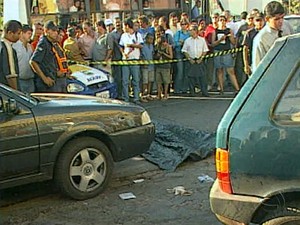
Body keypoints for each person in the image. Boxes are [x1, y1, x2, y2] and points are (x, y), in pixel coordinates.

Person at [252, 1, 289, 72]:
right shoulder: (261, 39)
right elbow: (257, 67)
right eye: (277, 19)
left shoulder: (286, 26)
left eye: (282, 17)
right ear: (267, 19)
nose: (281, 21)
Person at [212, 15, 240, 95]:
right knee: (219, 70)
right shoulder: (215, 31)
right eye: (220, 20)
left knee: (230, 70)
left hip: (226, 51)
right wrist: (220, 40)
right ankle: (221, 88)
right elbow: (213, 44)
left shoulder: (229, 30)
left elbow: (234, 42)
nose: (222, 22)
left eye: (223, 20)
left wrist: (230, 37)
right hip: (218, 51)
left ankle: (237, 88)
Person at [30, 20, 59, 92]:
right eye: (53, 31)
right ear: (46, 31)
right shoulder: (43, 43)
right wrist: (44, 78)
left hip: (51, 79)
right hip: (44, 84)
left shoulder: (49, 43)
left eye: (57, 31)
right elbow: (33, 62)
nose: (56, 33)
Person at [119, 18, 143, 103]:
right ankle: (126, 98)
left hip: (135, 59)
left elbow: (141, 46)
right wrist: (123, 54)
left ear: (127, 26)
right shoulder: (123, 36)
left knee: (136, 80)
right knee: (125, 80)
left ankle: (136, 98)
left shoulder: (138, 35)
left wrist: (132, 45)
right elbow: (121, 46)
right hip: (126, 60)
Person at [182, 25, 209, 97]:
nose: (189, 32)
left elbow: (205, 50)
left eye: (191, 30)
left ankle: (204, 91)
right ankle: (192, 92)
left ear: (195, 31)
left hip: (199, 60)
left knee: (202, 77)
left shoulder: (202, 40)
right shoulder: (187, 41)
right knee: (191, 77)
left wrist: (201, 58)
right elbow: (185, 51)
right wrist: (189, 59)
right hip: (191, 60)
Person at [12, 25, 35, 93]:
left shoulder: (30, 47)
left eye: (31, 34)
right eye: (28, 33)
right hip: (20, 80)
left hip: (30, 80)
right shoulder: (15, 46)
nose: (30, 36)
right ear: (22, 33)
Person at [0, 20, 22, 90]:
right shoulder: (7, 47)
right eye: (18, 34)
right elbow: (10, 74)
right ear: (10, 33)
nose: (19, 37)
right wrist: (16, 93)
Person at [107, 17, 123, 99]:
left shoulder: (124, 33)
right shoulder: (111, 35)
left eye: (119, 22)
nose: (118, 24)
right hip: (116, 60)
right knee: (117, 79)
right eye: (116, 22)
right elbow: (111, 48)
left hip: (125, 60)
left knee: (125, 79)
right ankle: (118, 95)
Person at [173, 18, 190, 94]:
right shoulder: (178, 33)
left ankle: (185, 88)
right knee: (180, 71)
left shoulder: (189, 33)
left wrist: (184, 43)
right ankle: (177, 89)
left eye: (185, 24)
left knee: (186, 71)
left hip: (187, 53)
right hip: (179, 53)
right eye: (182, 24)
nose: (183, 26)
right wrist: (181, 43)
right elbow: (175, 44)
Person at [154, 35, 173, 100]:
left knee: (166, 81)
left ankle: (165, 94)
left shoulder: (168, 47)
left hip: (166, 66)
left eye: (165, 42)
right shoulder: (158, 47)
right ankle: (159, 94)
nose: (164, 44)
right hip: (159, 66)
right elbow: (155, 56)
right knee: (158, 81)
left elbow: (171, 57)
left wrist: (164, 54)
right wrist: (158, 55)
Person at [140, 33, 155, 102]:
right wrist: (143, 62)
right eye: (150, 39)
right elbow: (141, 55)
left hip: (151, 65)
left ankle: (148, 94)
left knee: (150, 80)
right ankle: (143, 95)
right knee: (144, 81)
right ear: (146, 38)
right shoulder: (142, 45)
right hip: (145, 66)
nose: (151, 40)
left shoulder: (152, 46)